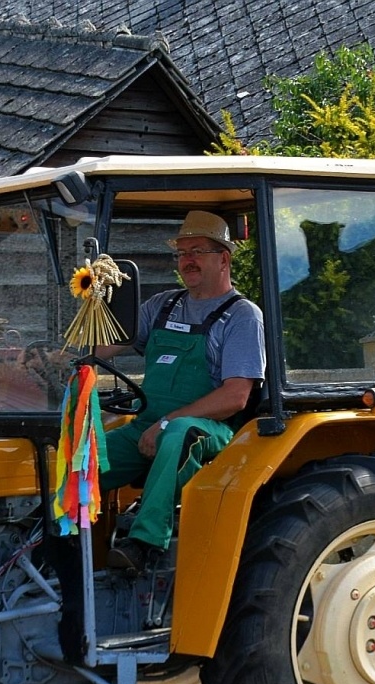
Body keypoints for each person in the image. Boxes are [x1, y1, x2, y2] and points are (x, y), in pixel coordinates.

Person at [100, 211, 266, 571]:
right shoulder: (161, 305)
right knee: (84, 458)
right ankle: (57, 537)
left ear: (224, 259)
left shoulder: (242, 316)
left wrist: (165, 422)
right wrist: (86, 320)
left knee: (178, 433)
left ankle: (144, 543)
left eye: (197, 251)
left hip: (212, 430)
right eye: (181, 253)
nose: (187, 260)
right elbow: (104, 347)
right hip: (146, 424)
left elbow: (235, 396)